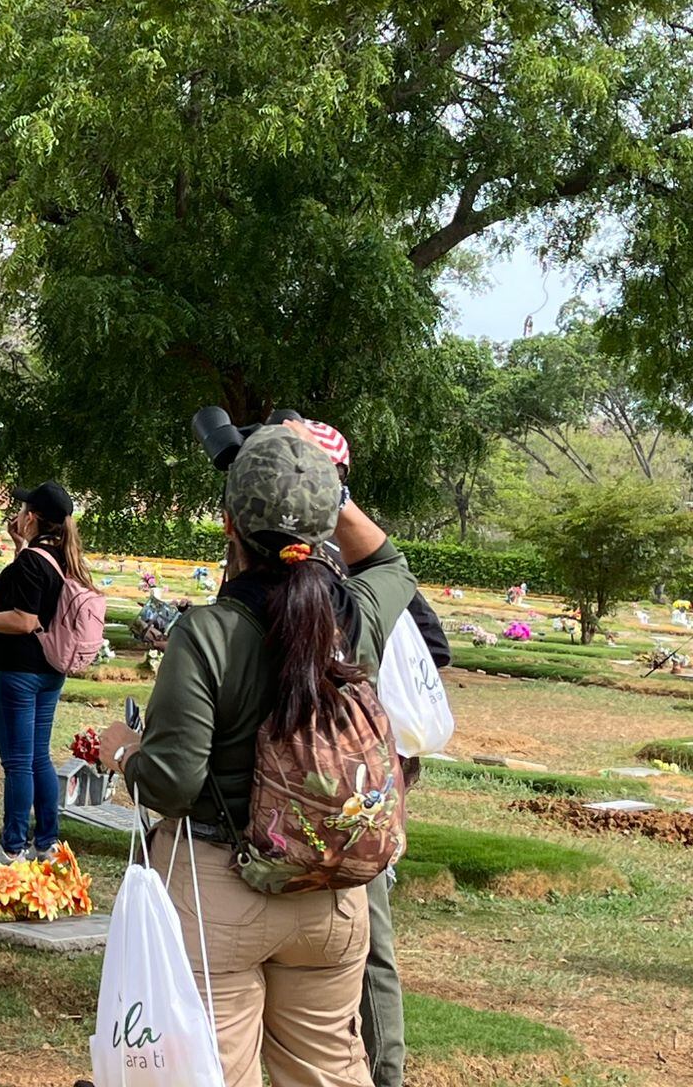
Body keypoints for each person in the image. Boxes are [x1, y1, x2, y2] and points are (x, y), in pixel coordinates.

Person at [97, 423, 417, 1087]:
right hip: (332, 898)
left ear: (228, 523)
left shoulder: (208, 633)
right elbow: (391, 565)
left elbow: (173, 784)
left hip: (221, 889)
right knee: (329, 1069)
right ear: (328, 523)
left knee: (214, 1071)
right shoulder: (355, 619)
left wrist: (123, 753)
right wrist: (322, 487)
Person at [307, 421, 453, 1087]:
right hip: (346, 777)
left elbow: (430, 646)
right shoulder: (347, 561)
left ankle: (383, 1070)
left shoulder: (351, 563)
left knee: (368, 936)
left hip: (354, 778)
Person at [0, 481, 93, 865]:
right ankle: (46, 842)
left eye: (23, 508)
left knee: (16, 762)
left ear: (32, 517)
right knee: (38, 757)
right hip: (49, 670)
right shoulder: (61, 557)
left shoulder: (33, 561)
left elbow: (25, 619)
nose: (18, 513)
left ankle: (12, 847)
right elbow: (33, 596)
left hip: (18, 671)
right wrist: (19, 546)